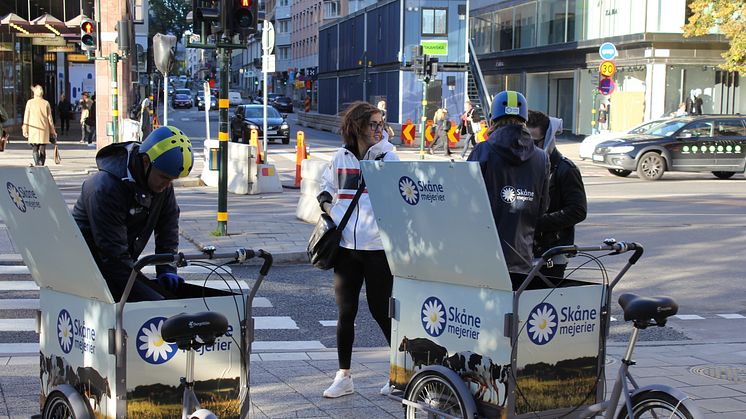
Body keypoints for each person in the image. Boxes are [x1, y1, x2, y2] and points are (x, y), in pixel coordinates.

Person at [316, 101, 399, 398]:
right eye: (373, 124)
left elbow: (401, 197)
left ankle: (398, 373)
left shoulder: (389, 157)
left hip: (377, 248)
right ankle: (344, 376)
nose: (380, 129)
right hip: (346, 249)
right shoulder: (341, 157)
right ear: (358, 127)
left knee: (381, 311)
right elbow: (325, 189)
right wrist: (331, 210)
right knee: (345, 313)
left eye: (381, 123)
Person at [72, 126, 194, 302]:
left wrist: (166, 269)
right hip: (87, 272)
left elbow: (168, 228)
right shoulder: (105, 187)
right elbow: (113, 255)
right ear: (145, 162)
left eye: (172, 180)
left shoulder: (160, 184)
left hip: (119, 265)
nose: (167, 185)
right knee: (153, 309)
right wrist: (153, 298)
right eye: (164, 177)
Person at [467, 91, 549, 276]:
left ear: (493, 118)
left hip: (483, 258)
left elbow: (464, 202)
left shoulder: (483, 150)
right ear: (525, 119)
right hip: (522, 258)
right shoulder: (542, 158)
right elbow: (542, 208)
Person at [526, 110, 587, 282]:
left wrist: (537, 223)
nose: (528, 147)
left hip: (552, 252)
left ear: (548, 139)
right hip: (525, 248)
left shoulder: (566, 169)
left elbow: (577, 210)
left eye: (533, 141)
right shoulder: (525, 167)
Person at [22, 85, 57, 166]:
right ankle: (41, 164)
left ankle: (37, 163)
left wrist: (25, 129)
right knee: (42, 148)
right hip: (44, 129)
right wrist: (53, 131)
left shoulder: (30, 103)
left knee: (34, 148)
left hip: (33, 129)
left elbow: (26, 117)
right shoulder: (46, 103)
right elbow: (50, 119)